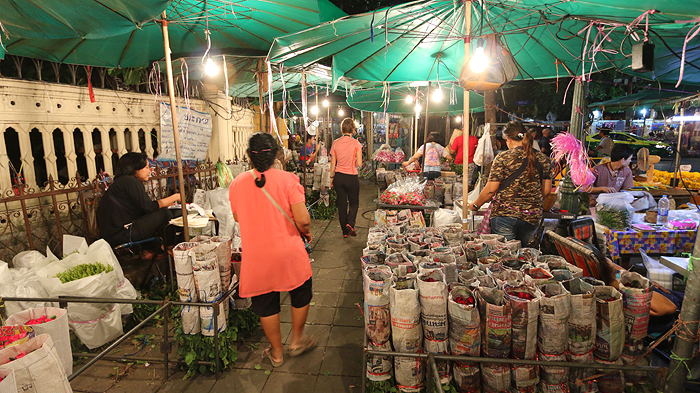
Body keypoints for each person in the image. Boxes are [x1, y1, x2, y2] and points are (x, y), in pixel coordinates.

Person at [228, 132, 316, 367]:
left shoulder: (237, 183)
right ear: (277, 153)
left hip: (257, 256)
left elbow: (237, 217)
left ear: (249, 156)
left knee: (266, 303)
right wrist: (306, 232)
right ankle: (297, 340)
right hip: (288, 251)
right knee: (300, 291)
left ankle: (276, 352)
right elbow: (303, 220)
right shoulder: (288, 180)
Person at [469, 121, 552, 245]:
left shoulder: (503, 157)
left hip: (505, 215)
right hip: (532, 216)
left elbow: (491, 189)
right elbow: (546, 191)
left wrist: (475, 205)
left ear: (508, 139)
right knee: (525, 257)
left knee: (505, 257)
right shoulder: (543, 159)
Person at [97, 152, 180, 248]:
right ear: (134, 169)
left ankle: (151, 250)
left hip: (114, 234)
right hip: (120, 234)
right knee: (164, 214)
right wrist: (175, 197)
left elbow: (143, 208)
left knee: (158, 215)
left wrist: (165, 204)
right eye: (146, 168)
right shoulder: (130, 181)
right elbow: (149, 207)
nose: (149, 171)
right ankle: (168, 248)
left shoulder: (123, 182)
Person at [331, 118, 363, 238]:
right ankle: (350, 223)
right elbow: (359, 164)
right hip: (351, 178)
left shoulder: (335, 143)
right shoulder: (356, 144)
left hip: (338, 177)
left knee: (342, 205)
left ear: (342, 129)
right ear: (353, 129)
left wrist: (331, 178)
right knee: (354, 203)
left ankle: (344, 232)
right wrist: (354, 159)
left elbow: (333, 164)